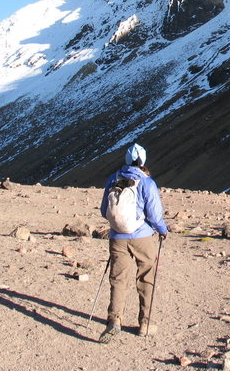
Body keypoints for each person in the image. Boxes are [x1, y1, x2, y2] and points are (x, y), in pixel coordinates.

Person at [98, 142, 168, 343]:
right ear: (143, 160)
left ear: (127, 160)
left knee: (118, 280)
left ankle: (114, 320)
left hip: (117, 238)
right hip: (142, 237)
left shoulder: (113, 178)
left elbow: (105, 211)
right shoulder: (147, 182)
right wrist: (163, 230)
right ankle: (145, 323)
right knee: (146, 277)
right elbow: (154, 215)